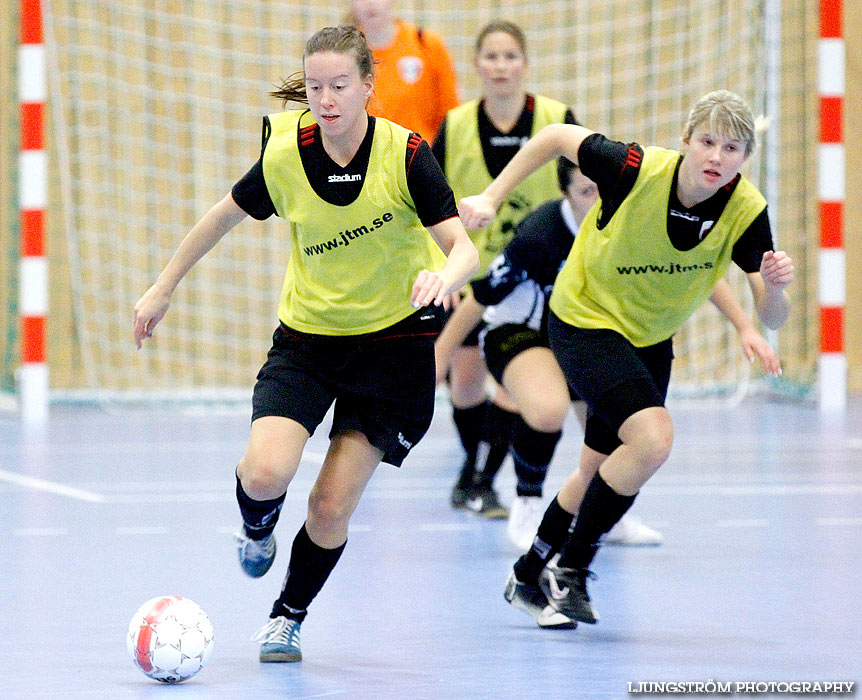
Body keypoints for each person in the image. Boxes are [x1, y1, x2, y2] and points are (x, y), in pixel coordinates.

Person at [132, 25, 478, 662]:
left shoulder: (404, 156)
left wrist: (442, 277)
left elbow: (464, 247)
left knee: (326, 507)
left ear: (368, 87)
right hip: (309, 342)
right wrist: (162, 287)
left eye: (339, 85)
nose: (325, 98)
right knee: (265, 474)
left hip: (393, 348)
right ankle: (256, 529)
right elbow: (222, 215)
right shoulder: (288, 151)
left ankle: (286, 617)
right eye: (315, 86)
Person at [459, 90, 794, 626]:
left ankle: (528, 576)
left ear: (744, 157)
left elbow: (774, 315)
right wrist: (492, 197)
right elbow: (551, 138)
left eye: (731, 148)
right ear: (686, 141)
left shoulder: (745, 209)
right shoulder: (631, 168)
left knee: (598, 469)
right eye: (706, 142)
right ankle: (572, 569)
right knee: (654, 437)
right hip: (584, 319)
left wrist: (773, 293)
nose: (716, 157)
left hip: (649, 338)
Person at [431, 20, 577, 519]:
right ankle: (475, 472)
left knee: (517, 382)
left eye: (510, 56)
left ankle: (484, 480)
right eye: (491, 57)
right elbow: (428, 204)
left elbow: (581, 190)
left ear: (525, 64)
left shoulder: (557, 120)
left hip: (535, 278)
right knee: (466, 380)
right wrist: (441, 271)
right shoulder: (454, 125)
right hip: (472, 273)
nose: (501, 66)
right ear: (476, 65)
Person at [350, 0, 459, 141]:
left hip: (419, 157)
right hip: (367, 158)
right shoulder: (344, 54)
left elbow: (450, 115)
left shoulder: (426, 44)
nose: (370, 3)